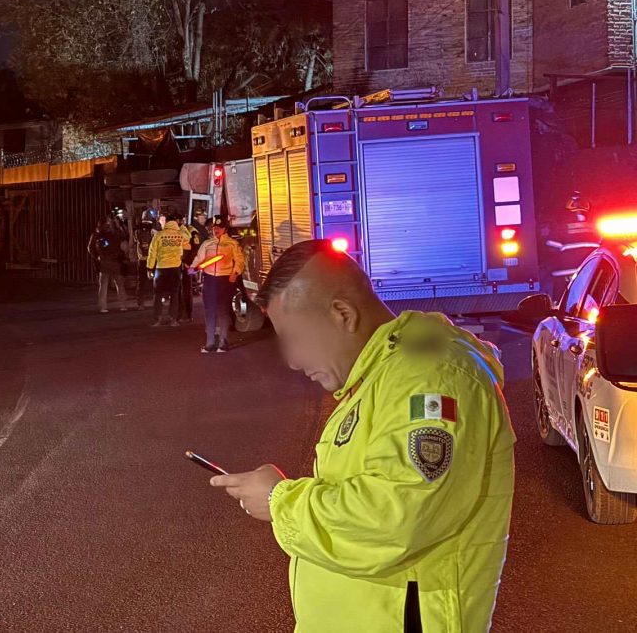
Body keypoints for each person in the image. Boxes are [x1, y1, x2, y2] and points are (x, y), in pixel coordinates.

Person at [209, 239, 514, 633]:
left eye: (297, 338)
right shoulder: (383, 375)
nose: (293, 360)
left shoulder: (430, 379)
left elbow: (395, 519)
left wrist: (279, 500)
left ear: (342, 313)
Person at [189, 215, 244, 352]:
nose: (216, 230)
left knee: (223, 311)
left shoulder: (232, 244)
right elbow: (199, 258)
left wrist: (235, 273)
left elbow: (240, 260)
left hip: (225, 280)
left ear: (225, 229)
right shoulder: (207, 244)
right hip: (210, 280)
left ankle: (223, 342)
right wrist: (192, 268)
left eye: (218, 228)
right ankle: (210, 343)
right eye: (214, 228)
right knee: (210, 310)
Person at [146, 215, 187, 327]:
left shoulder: (159, 235)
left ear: (167, 223)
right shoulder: (179, 235)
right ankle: (173, 319)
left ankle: (157, 319)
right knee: (174, 294)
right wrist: (183, 227)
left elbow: (152, 253)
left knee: (158, 294)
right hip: (175, 268)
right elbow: (185, 246)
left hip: (161, 268)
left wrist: (149, 268)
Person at [87, 220, 128, 313]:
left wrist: (96, 257)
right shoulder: (116, 234)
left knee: (104, 286)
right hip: (115, 262)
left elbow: (90, 248)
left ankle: (103, 307)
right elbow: (123, 246)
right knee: (119, 284)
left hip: (104, 262)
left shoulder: (97, 235)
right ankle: (123, 305)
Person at [178, 215, 202, 323]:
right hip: (180, 264)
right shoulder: (179, 231)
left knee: (186, 289)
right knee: (180, 289)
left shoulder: (192, 232)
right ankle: (181, 314)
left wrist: (189, 264)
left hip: (188, 265)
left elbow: (195, 249)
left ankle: (187, 315)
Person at [133, 217, 156, 309]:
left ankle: (140, 303)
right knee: (155, 281)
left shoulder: (137, 232)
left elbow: (134, 242)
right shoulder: (153, 231)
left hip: (141, 260)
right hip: (152, 260)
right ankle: (156, 301)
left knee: (141, 282)